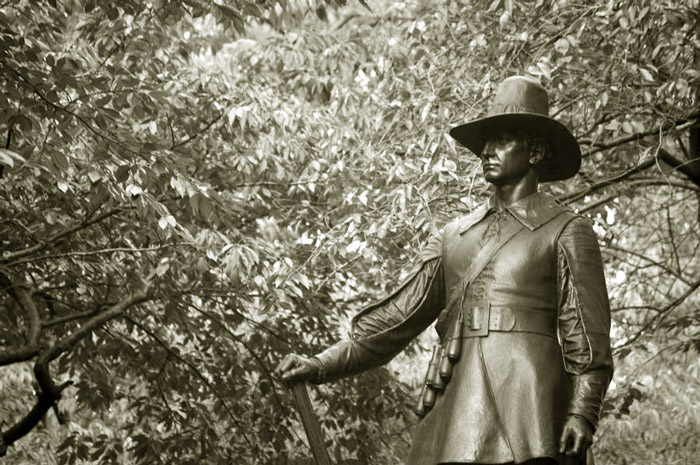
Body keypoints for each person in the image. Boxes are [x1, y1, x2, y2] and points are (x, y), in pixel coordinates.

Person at [275, 75, 613, 465]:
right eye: (485, 142)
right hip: (458, 407)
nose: (487, 150)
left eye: (502, 140)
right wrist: (319, 364)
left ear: (535, 150)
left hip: (529, 408)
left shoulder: (566, 230)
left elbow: (586, 340)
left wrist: (582, 412)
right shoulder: (454, 235)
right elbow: (394, 321)